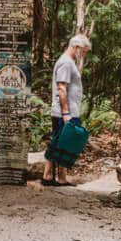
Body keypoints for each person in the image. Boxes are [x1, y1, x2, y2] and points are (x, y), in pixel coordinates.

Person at [42, 34, 92, 187]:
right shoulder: (65, 63)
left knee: (62, 143)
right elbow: (61, 89)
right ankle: (49, 175)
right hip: (64, 113)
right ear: (76, 47)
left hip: (69, 111)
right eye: (83, 51)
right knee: (60, 142)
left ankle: (56, 177)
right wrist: (66, 113)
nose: (83, 55)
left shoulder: (69, 62)